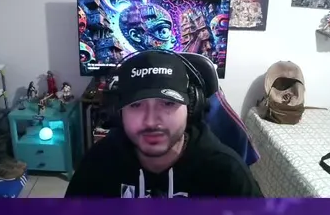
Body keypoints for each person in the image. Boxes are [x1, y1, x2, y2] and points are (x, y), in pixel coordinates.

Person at [65, 50, 263, 198]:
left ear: (192, 106)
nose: (151, 121)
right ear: (118, 112)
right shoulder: (98, 164)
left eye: (168, 103)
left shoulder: (227, 173)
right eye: (136, 105)